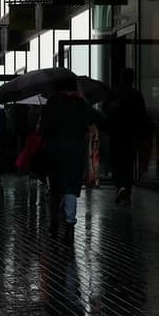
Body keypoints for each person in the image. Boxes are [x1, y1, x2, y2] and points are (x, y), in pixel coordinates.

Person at [41, 77, 98, 243]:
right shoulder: (81, 103)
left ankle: (53, 222)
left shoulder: (52, 102)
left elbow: (45, 127)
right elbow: (92, 120)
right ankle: (70, 226)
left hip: (55, 149)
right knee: (71, 188)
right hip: (76, 149)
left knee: (55, 186)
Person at [103, 68, 149, 204]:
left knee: (116, 162)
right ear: (132, 79)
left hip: (116, 133)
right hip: (131, 135)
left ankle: (120, 187)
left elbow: (105, 108)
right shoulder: (136, 95)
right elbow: (142, 116)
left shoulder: (114, 93)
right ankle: (126, 190)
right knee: (128, 163)